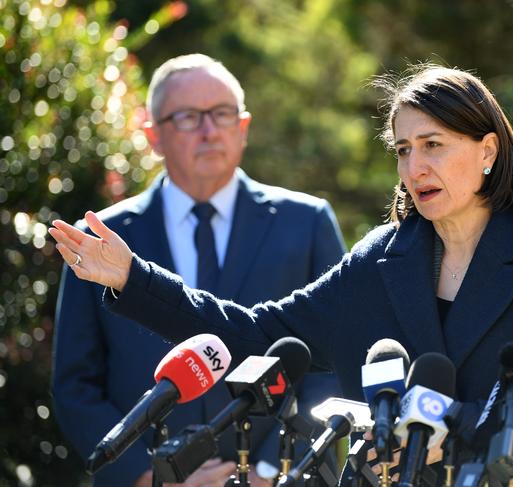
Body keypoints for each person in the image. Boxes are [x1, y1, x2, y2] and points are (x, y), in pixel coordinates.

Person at [50, 63, 513, 486]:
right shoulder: (379, 260)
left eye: (433, 144)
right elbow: (257, 335)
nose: (415, 166)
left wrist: (449, 433)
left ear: (487, 151)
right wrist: (134, 278)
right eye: (403, 149)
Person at [51, 54, 346, 487]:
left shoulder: (307, 222)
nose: (209, 131)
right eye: (189, 117)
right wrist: (151, 476)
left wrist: (270, 471)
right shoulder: (100, 240)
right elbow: (76, 385)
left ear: (243, 127)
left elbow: (335, 363)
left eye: (222, 114)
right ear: (153, 136)